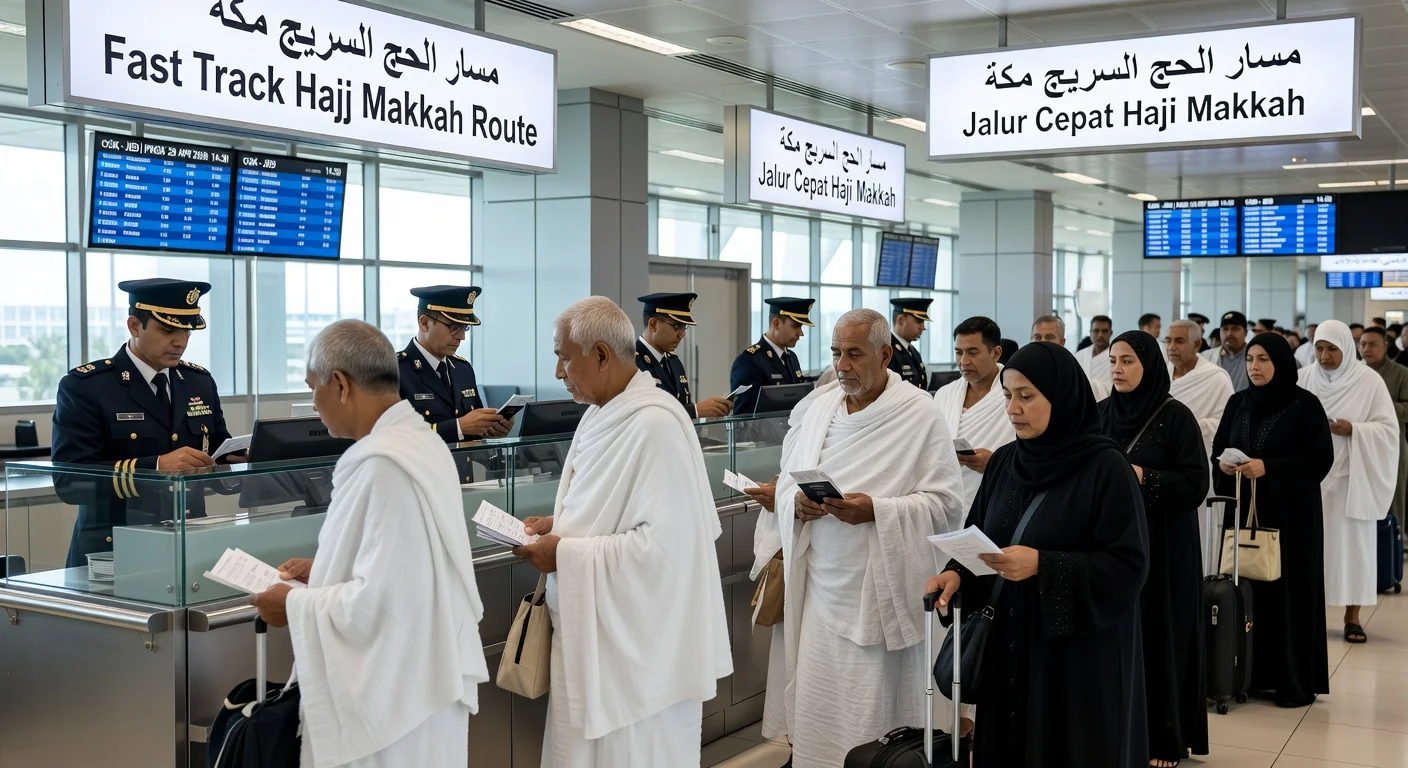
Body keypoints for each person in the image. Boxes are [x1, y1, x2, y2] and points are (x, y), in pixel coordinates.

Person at [250, 320, 488, 767]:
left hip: (395, 698)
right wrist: (325, 569)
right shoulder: (420, 443)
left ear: (340, 384)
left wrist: (293, 606)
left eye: (312, 388)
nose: (313, 405)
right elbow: (406, 563)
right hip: (427, 675)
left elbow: (380, 601)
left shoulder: (383, 463)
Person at [513, 297, 731, 767]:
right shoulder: (600, 413)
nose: (557, 372)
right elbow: (612, 510)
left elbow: (667, 550)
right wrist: (560, 525)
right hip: (589, 636)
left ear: (600, 355)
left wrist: (564, 556)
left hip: (639, 656)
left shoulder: (654, 425)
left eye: (563, 357)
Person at [926, 341, 1149, 768]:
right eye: (1008, 395)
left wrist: (1043, 565)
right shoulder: (1006, 462)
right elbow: (982, 536)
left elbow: (1128, 565)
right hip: (1008, 640)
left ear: (1061, 395)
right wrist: (957, 572)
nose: (1013, 408)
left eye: (1027, 396)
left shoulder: (1106, 468)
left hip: (1074, 656)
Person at [773, 308, 964, 768]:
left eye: (854, 354)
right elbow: (786, 479)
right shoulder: (819, 409)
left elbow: (945, 504)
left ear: (884, 354)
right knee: (821, 710)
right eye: (837, 353)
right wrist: (794, 504)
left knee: (879, 720)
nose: (842, 365)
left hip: (881, 593)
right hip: (822, 588)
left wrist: (877, 511)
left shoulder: (919, 412)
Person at [52, 278, 238, 567]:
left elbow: (216, 452)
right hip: (115, 549)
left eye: (187, 331)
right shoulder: (87, 386)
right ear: (134, 326)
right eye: (167, 329)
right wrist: (156, 467)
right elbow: (69, 482)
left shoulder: (198, 382)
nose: (180, 341)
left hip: (188, 543)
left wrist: (236, 459)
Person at [1102, 331, 1209, 767]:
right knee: (1118, 634)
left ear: (1148, 364)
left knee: (1162, 632)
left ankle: (1166, 736)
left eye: (1127, 361)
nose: (1118, 370)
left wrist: (1144, 475)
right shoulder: (1102, 414)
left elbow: (1196, 485)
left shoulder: (1176, 416)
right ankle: (1116, 726)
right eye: (1113, 361)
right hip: (1115, 541)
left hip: (1166, 544)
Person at [1211, 333, 1333, 706]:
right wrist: (1225, 464)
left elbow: (1319, 460)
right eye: (1250, 360)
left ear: (1280, 362)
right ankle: (1244, 672)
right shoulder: (1238, 403)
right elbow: (1218, 449)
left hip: (1291, 516)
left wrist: (1271, 469)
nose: (1254, 367)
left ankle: (1290, 679)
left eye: (1263, 359)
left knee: (1288, 593)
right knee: (1245, 590)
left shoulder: (1305, 405)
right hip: (1244, 510)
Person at [1299, 320, 1400, 644]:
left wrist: (1354, 428)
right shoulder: (1304, 379)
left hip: (1352, 481)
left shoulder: (1368, 381)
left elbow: (1388, 429)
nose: (1325, 356)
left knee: (1353, 551)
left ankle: (1352, 617)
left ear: (1346, 347)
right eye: (1319, 348)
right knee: (1309, 551)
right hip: (1311, 482)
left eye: (1332, 349)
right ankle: (1308, 617)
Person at [398, 285, 512, 442]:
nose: (461, 337)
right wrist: (458, 428)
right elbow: (391, 437)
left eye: (465, 328)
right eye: (454, 327)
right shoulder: (395, 371)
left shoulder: (462, 369)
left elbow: (473, 430)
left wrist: (491, 427)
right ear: (424, 323)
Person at [934, 316, 1015, 511]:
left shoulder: (1016, 394)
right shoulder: (945, 394)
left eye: (972, 352)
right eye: (958, 352)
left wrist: (997, 463)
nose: (963, 361)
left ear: (996, 353)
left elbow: (1035, 451)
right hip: (947, 501)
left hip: (996, 500)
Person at [635, 292, 733, 419]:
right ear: (653, 325)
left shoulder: (673, 361)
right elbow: (644, 414)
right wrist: (695, 410)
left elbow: (681, 403)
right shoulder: (632, 362)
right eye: (677, 327)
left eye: (684, 327)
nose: (682, 335)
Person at [730, 297, 812, 415]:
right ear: (776, 323)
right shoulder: (749, 361)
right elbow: (744, 417)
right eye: (796, 326)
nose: (801, 333)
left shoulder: (791, 357)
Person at [1361, 327, 1408, 529]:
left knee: (1394, 498)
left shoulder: (1401, 373)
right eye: (1362, 344)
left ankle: (1394, 543)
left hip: (1392, 445)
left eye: (1372, 344)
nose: (1366, 349)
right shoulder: (1356, 374)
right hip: (1361, 444)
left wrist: (1381, 403)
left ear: (1385, 346)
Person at [888, 297, 932, 388]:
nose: (923, 327)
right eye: (919, 321)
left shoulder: (913, 352)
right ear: (900, 320)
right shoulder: (888, 351)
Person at [1203, 311, 1250, 392]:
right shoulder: (1206, 357)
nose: (1229, 334)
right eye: (1225, 329)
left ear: (1245, 333)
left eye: (1235, 329)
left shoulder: (1253, 357)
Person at [1075, 315, 1115, 391]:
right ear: (1090, 332)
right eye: (1096, 331)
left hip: (1107, 401)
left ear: (1111, 333)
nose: (1100, 335)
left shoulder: (1116, 357)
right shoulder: (1080, 355)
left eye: (1104, 331)